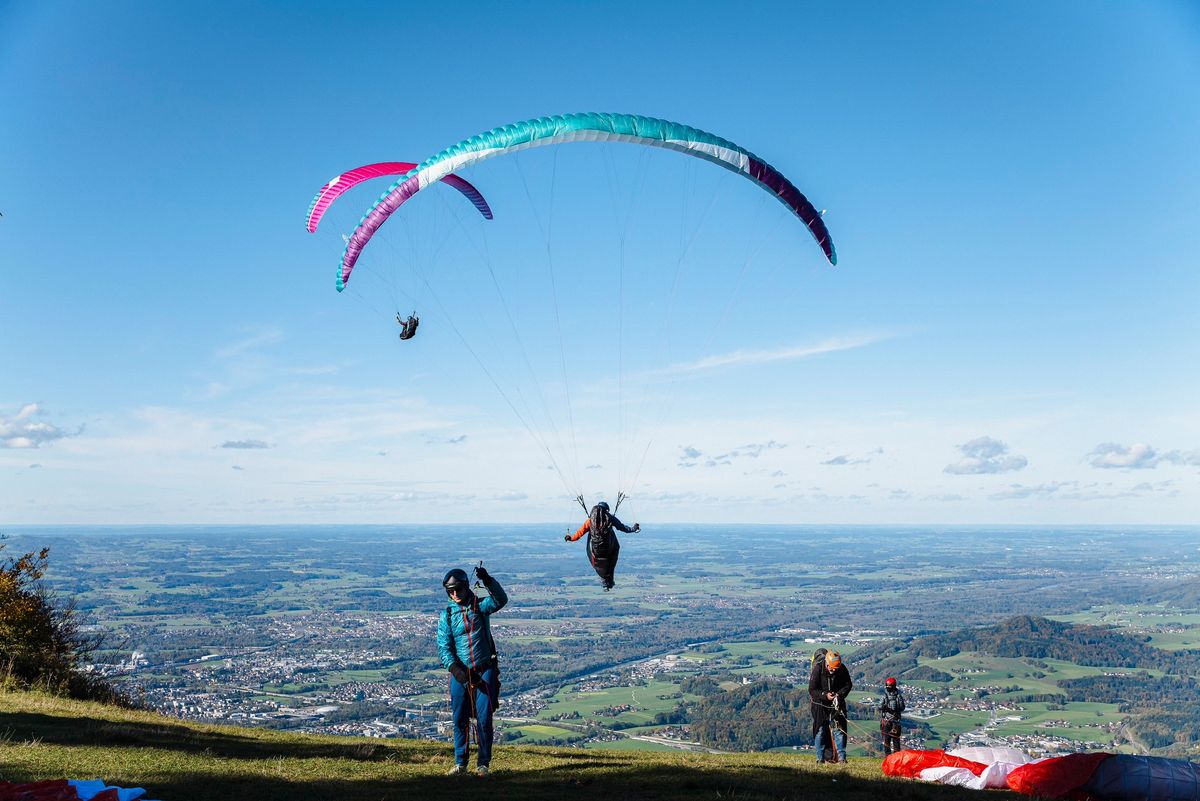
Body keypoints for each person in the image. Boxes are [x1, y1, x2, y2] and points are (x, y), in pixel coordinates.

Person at [437, 565, 507, 776]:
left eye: (458, 589)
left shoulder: (480, 607)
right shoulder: (447, 615)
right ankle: (461, 763)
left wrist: (487, 580)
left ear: (466, 587)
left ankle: (483, 764)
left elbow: (500, 600)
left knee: (484, 719)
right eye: (451, 591)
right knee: (460, 719)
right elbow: (444, 647)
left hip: (484, 669)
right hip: (461, 673)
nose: (455, 594)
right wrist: (456, 670)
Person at [564, 501, 639, 590]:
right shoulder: (610, 518)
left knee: (600, 563)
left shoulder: (590, 521)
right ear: (606, 510)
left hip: (596, 551)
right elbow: (622, 527)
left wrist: (571, 538)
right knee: (611, 561)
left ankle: (605, 581)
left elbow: (580, 532)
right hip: (609, 550)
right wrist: (633, 528)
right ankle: (609, 581)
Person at [809, 649, 852, 764]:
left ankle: (842, 758)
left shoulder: (841, 669)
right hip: (820, 705)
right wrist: (824, 695)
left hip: (836, 704)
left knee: (839, 729)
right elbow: (812, 690)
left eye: (836, 669)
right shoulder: (818, 669)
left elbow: (848, 684)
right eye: (832, 668)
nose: (833, 671)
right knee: (820, 730)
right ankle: (820, 758)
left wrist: (839, 695)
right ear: (827, 664)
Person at [879, 676, 906, 755]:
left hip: (893, 721)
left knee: (894, 740)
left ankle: (894, 756)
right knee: (889, 739)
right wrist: (886, 708)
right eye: (887, 685)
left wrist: (892, 709)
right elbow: (879, 706)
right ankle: (889, 756)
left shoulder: (897, 696)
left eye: (889, 685)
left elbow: (902, 707)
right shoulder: (888, 696)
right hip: (888, 721)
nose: (888, 687)